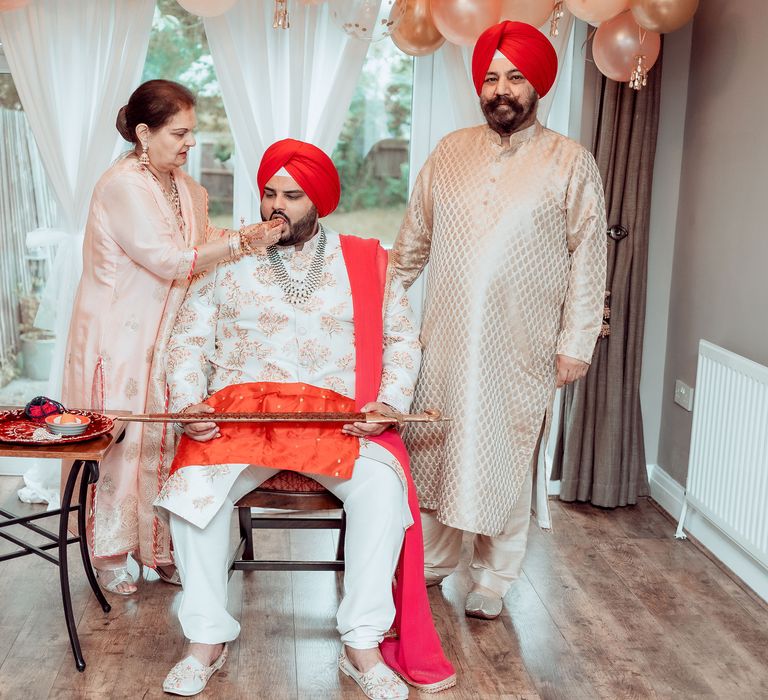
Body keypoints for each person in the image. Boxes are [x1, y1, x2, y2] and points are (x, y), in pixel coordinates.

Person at [154, 139, 455, 698]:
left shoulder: (367, 260)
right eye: (269, 193)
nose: (277, 207)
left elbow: (401, 342)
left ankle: (361, 644)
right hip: (240, 420)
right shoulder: (228, 255)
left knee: (382, 494)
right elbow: (187, 342)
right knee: (193, 488)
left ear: (319, 201)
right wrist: (189, 403)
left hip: (335, 423)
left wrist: (385, 402)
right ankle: (205, 642)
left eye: (292, 196)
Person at [390, 21, 607, 620]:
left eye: (515, 77)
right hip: (446, 341)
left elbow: (589, 259)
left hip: (523, 345)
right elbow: (412, 244)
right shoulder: (449, 153)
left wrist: (576, 343)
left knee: (504, 455)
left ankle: (493, 576)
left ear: (537, 85)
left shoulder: (570, 163)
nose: (501, 89)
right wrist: (380, 307)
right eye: (490, 77)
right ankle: (434, 561)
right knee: (434, 447)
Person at [61, 80, 282, 595]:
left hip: (168, 328)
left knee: (167, 437)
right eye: (180, 133)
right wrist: (242, 244)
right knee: (122, 440)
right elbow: (166, 259)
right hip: (118, 333)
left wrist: (250, 238)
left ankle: (159, 548)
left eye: (192, 133)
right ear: (144, 132)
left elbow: (200, 243)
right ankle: (110, 550)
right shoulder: (122, 185)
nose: (190, 143)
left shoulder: (181, 184)